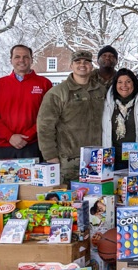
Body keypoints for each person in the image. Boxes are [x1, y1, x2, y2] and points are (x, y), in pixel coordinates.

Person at [36, 50, 107, 181]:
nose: (82, 65)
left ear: (91, 66)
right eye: (77, 62)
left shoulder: (101, 91)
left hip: (97, 158)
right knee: (69, 193)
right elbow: (45, 126)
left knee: (96, 193)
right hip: (69, 161)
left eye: (86, 62)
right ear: (71, 66)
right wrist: (50, 156)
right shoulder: (58, 93)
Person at [0, 44, 52, 159]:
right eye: (17, 57)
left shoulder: (44, 84)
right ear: (11, 60)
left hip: (33, 145)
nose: (21, 60)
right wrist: (9, 136)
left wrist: (28, 136)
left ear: (31, 60)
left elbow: (48, 115)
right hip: (3, 145)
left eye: (26, 57)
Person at [102, 68, 138, 166]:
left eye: (128, 82)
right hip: (113, 158)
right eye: (120, 82)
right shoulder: (108, 103)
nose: (124, 85)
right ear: (115, 85)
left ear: (134, 83)